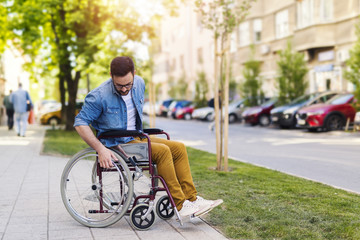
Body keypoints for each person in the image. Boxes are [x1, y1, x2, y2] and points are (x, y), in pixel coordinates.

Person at [74, 56, 223, 219]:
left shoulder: (139, 83)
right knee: (162, 151)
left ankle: (192, 199)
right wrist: (100, 149)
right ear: (111, 75)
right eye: (119, 85)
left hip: (136, 137)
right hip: (117, 144)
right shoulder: (98, 96)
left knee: (178, 148)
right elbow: (80, 123)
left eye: (127, 85)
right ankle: (180, 205)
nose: (124, 89)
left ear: (134, 74)